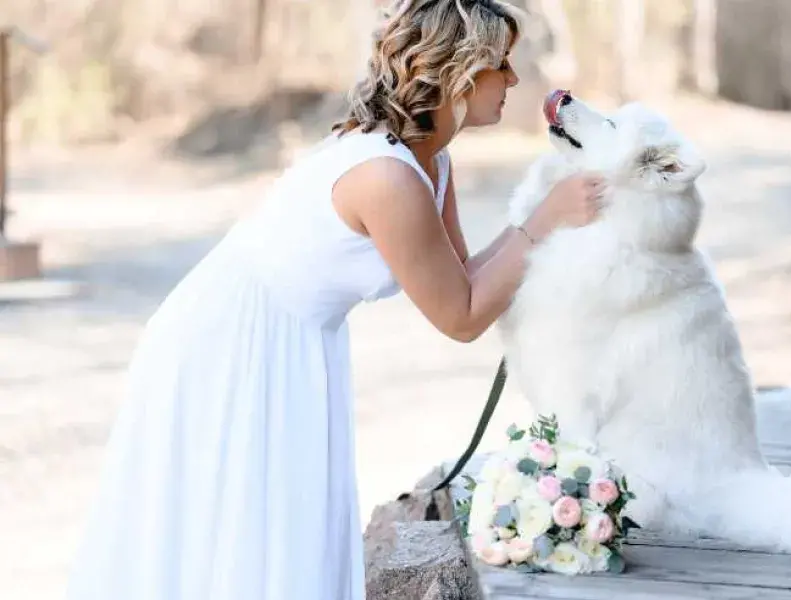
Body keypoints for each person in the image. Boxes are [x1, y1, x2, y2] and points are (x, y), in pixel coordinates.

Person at [64, 1, 605, 598]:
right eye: (501, 63)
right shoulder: (387, 176)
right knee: (236, 532)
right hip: (230, 342)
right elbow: (461, 315)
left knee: (284, 528)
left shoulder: (431, 160)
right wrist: (548, 216)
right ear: (458, 70)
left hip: (292, 338)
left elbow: (469, 277)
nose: (515, 78)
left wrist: (544, 219)